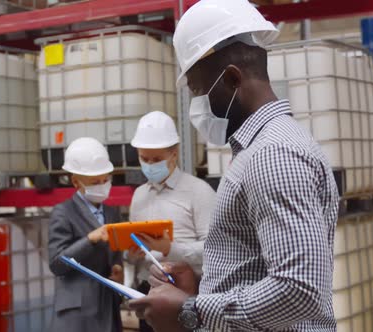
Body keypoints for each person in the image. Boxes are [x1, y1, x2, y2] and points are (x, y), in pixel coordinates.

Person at [129, 0, 340, 331]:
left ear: (230, 79)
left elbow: (301, 289)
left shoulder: (273, 155)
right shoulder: (260, 149)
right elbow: (260, 268)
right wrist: (202, 283)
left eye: (198, 91)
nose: (196, 107)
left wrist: (192, 310)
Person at [127, 110, 216, 332]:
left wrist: (170, 248)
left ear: (174, 155)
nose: (149, 165)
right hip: (149, 293)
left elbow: (215, 249)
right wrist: (130, 254)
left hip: (187, 295)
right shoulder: (139, 196)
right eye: (144, 159)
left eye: (157, 159)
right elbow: (131, 253)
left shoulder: (199, 192)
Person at [48, 137, 124, 332]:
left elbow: (115, 253)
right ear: (76, 182)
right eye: (95, 182)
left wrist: (117, 268)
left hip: (107, 306)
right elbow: (57, 264)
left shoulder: (112, 212)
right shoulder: (63, 212)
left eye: (106, 180)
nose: (102, 185)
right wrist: (89, 240)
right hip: (77, 313)